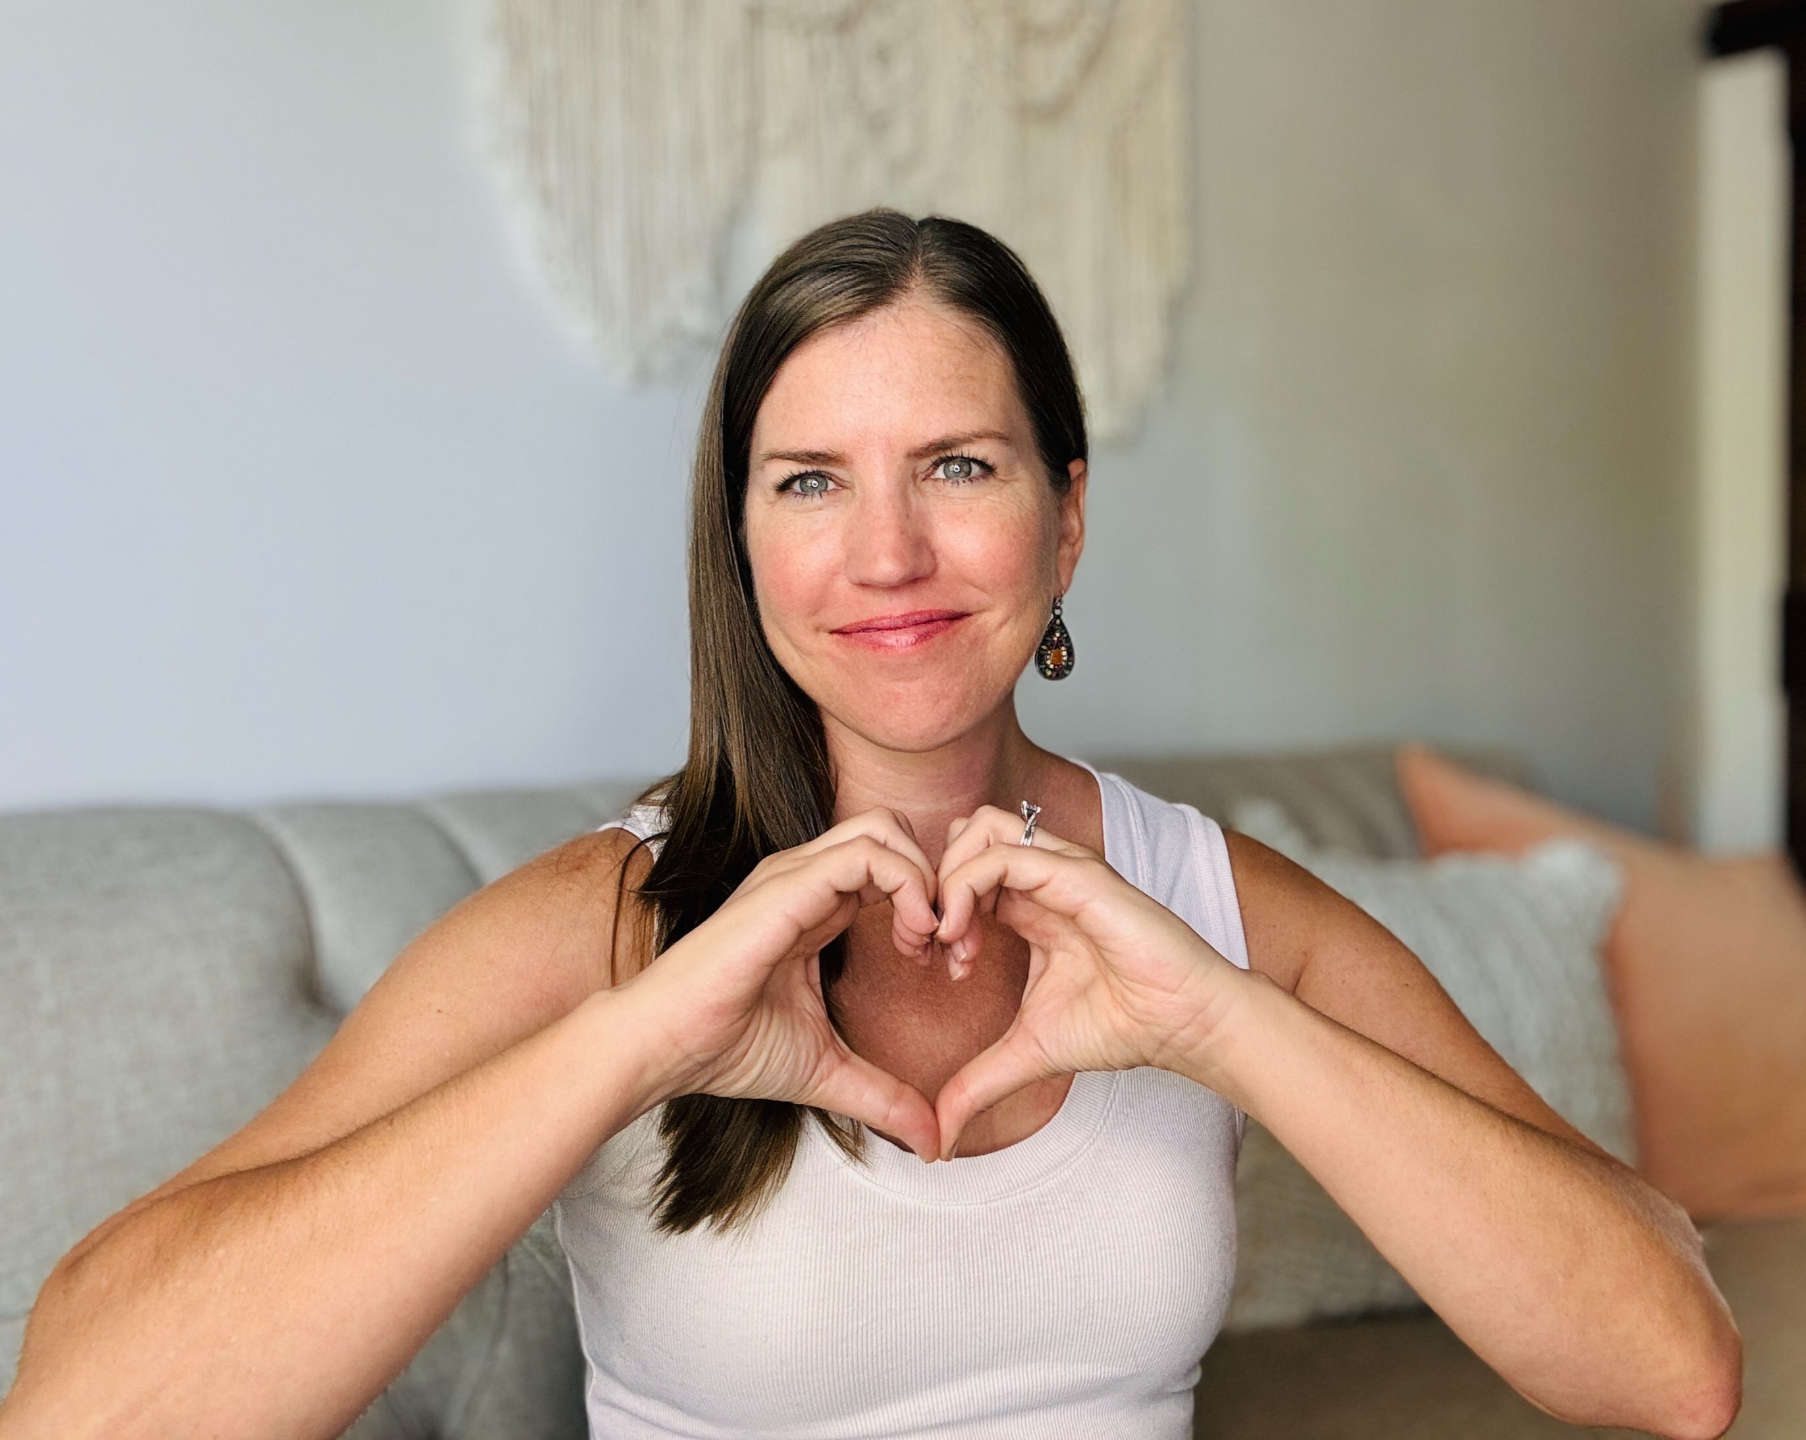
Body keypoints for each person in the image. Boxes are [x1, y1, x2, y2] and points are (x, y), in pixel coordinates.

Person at [2, 210, 1739, 1440]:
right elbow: (88, 1408)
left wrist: (1221, 1025)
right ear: (743, 542)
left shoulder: (1212, 902)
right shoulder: (598, 923)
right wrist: (634, 1046)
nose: (887, 554)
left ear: (1065, 521)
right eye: (811, 481)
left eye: (959, 467)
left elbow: (1672, 1369)